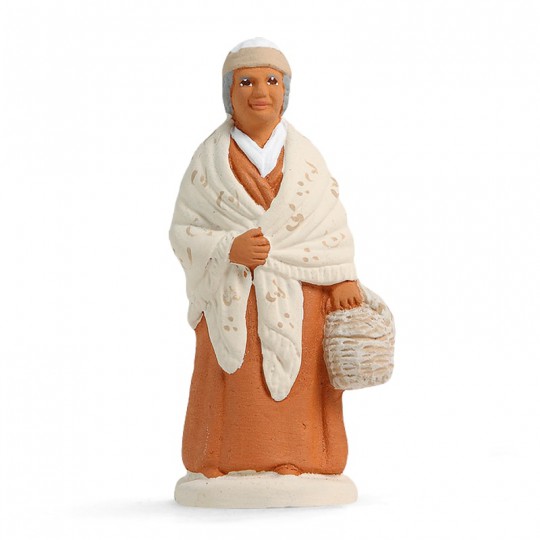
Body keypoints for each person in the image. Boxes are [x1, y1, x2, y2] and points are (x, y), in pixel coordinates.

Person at [169, 38, 363, 498]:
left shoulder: (307, 159)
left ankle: (301, 458)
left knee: (302, 379)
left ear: (286, 90)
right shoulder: (208, 162)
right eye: (247, 81)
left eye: (272, 81)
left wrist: (342, 277)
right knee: (230, 378)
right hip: (231, 293)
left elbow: (327, 223)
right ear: (229, 91)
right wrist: (227, 247)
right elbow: (184, 230)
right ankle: (219, 460)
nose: (260, 91)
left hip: (301, 293)